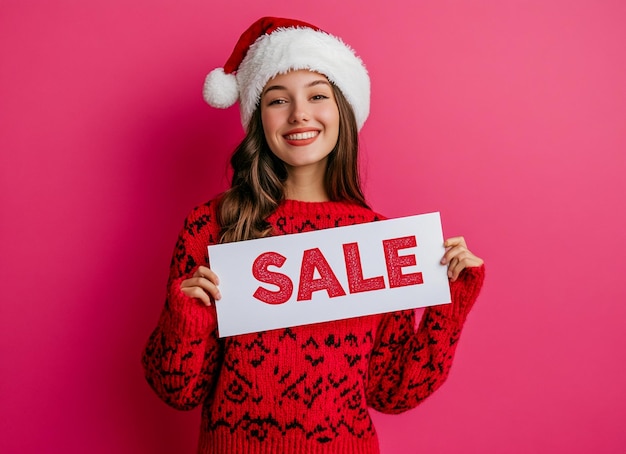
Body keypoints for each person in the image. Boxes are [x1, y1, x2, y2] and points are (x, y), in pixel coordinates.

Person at [142, 16, 485, 454]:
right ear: (257, 117)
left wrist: (448, 305)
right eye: (277, 100)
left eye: (317, 95)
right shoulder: (212, 223)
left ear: (343, 109)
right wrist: (186, 318)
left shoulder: (378, 242)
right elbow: (178, 392)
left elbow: (391, 392)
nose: (299, 113)